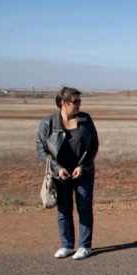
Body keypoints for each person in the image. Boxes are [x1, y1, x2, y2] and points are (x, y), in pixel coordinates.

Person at [35, 87, 99, 260]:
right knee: (64, 209)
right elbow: (41, 148)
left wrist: (84, 166)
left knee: (84, 208)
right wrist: (57, 168)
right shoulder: (48, 123)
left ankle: (85, 246)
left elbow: (93, 145)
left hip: (83, 172)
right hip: (60, 173)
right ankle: (67, 245)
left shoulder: (85, 119)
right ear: (63, 103)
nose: (79, 104)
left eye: (80, 101)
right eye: (75, 101)